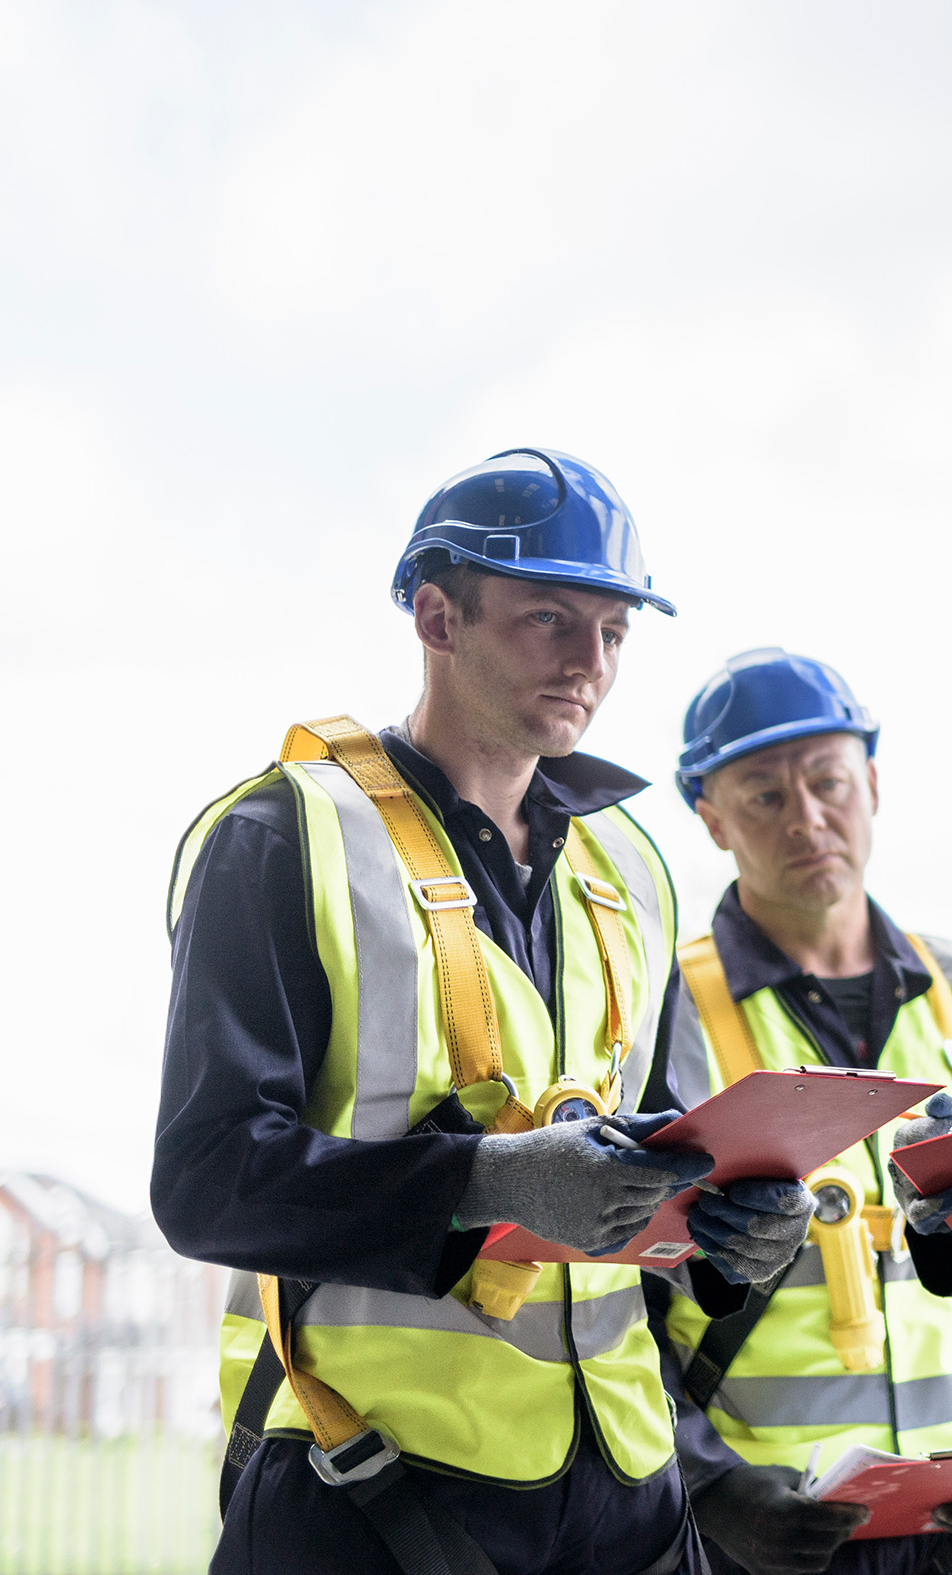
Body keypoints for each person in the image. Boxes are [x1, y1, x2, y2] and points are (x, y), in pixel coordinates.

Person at [157, 447, 818, 1575]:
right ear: (436, 614)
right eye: (549, 619)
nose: (589, 662)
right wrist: (486, 1181)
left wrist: (731, 1232)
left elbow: (652, 1148)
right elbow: (209, 1182)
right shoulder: (282, 837)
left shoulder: (632, 869)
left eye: (612, 631)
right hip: (368, 1482)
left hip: (627, 1485)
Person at [659, 648, 952, 1575]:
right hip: (763, 1538)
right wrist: (709, 1487)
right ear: (711, 818)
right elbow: (612, 1298)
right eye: (763, 794)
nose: (807, 816)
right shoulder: (661, 1015)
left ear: (872, 783)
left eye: (829, 781)